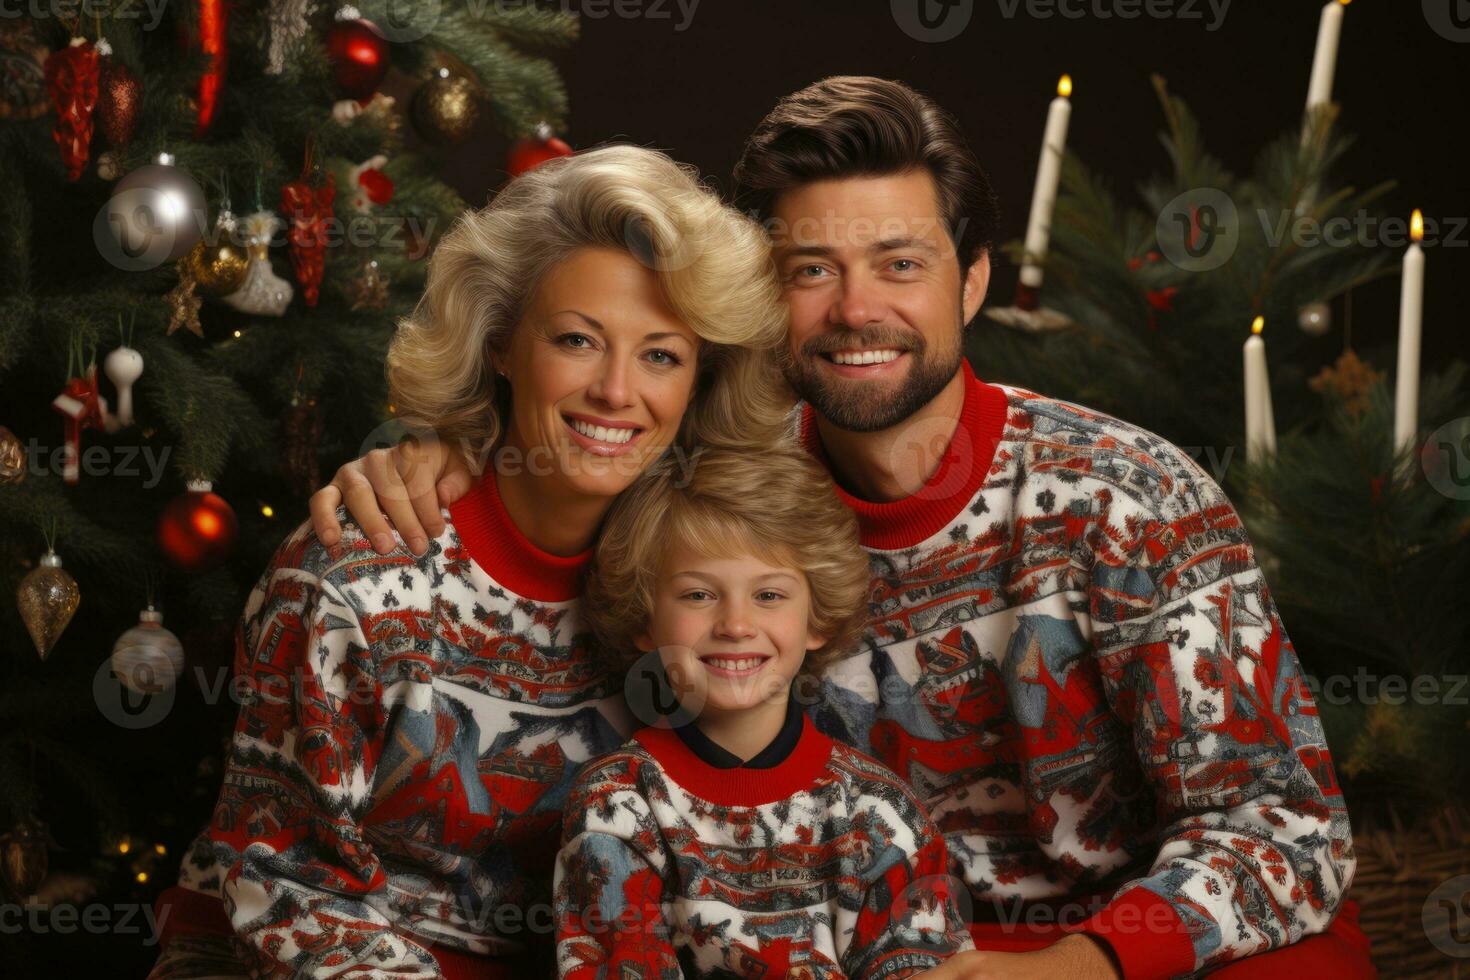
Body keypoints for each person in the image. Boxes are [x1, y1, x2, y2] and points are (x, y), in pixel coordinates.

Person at [309, 77, 1374, 978]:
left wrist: (1082, 962)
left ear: (975, 279)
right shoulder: (719, 496)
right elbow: (572, 432)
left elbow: (1283, 825)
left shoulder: (1126, 496)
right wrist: (437, 448)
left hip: (1104, 949)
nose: (856, 307)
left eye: (901, 264)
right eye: (811, 269)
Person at [147, 144, 793, 979]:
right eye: (577, 340)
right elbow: (284, 885)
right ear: (499, 343)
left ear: (701, 378)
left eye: (662, 354)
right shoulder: (356, 573)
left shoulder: (713, 591)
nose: (616, 392)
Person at [554, 443, 975, 977]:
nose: (735, 624)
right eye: (699, 595)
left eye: (770, 595)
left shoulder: (877, 814)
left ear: (816, 619)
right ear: (645, 620)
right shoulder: (618, 807)